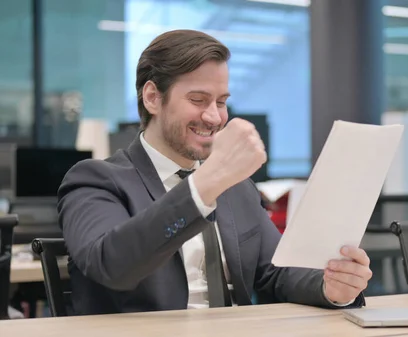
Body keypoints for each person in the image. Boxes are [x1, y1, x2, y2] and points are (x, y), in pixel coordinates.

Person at [57, 29, 372, 315]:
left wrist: (331, 287)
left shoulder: (235, 185)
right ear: (153, 97)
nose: (214, 117)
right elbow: (112, 265)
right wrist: (203, 187)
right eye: (198, 100)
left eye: (221, 102)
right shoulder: (96, 180)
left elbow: (275, 272)